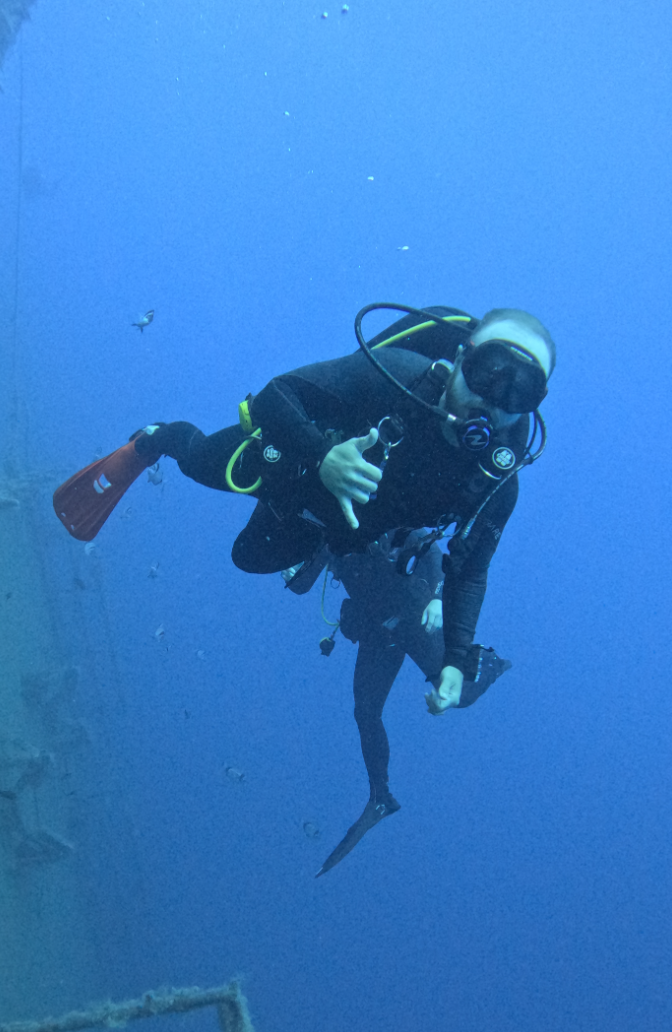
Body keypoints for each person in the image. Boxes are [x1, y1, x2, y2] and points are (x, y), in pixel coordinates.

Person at [53, 300, 554, 804]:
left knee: (251, 557)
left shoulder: (495, 484)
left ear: (532, 405)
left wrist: (456, 659)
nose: (493, 398)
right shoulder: (399, 378)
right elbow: (277, 394)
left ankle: (320, 547)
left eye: (519, 390)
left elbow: (469, 571)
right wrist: (322, 458)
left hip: (342, 528)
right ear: (462, 357)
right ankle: (156, 439)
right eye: (488, 371)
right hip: (292, 462)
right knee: (203, 462)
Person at [314, 528, 512, 873]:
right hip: (379, 628)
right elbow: (303, 578)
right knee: (365, 711)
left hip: (414, 617)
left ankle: (487, 662)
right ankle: (380, 796)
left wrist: (438, 596)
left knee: (456, 695)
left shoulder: (367, 512)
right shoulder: (322, 526)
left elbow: (426, 546)